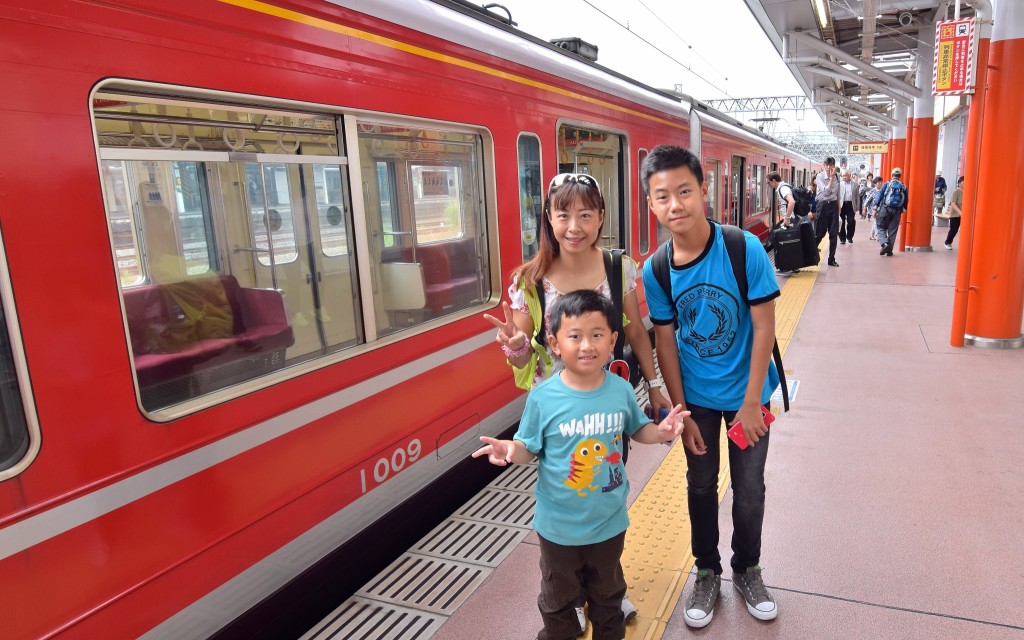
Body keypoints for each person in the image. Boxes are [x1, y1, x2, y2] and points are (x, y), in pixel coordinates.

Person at [483, 171, 672, 631]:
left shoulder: (617, 266)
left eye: (585, 214)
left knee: (605, 488)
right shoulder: (529, 278)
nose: (574, 226)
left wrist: (655, 383)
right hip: (554, 408)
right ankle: (566, 593)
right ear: (547, 218)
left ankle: (608, 587)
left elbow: (632, 329)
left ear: (600, 217)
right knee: (563, 492)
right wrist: (515, 345)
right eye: (563, 214)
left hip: (608, 402)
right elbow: (526, 343)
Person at [473, 290, 688, 640]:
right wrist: (511, 451)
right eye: (575, 336)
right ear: (555, 344)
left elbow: (638, 430)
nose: (587, 345)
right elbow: (530, 448)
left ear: (612, 340)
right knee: (558, 602)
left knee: (608, 599)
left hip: (609, 524)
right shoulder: (543, 397)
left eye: (597, 335)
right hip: (558, 530)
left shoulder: (619, 389)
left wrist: (661, 431)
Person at [639, 145, 782, 628]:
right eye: (663, 196)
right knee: (700, 486)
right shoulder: (656, 269)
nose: (675, 204)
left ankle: (747, 568)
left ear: (704, 191)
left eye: (684, 191)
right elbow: (665, 340)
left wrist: (750, 404)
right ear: (651, 204)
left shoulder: (743, 248)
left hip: (750, 395)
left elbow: (764, 327)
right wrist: (679, 411)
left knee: (749, 489)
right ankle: (706, 571)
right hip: (695, 398)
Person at [873, 167, 909, 257]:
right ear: (900, 176)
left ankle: (885, 244)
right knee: (893, 230)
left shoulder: (887, 184)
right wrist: (903, 209)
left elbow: (880, 196)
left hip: (885, 209)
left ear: (892, 175)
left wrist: (875, 208)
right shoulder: (903, 186)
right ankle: (889, 250)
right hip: (897, 211)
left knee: (880, 227)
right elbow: (906, 200)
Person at [812, 157, 840, 267]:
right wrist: (831, 179)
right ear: (824, 166)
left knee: (833, 234)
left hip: (833, 206)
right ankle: (811, 256)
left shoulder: (838, 176)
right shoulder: (819, 176)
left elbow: (837, 193)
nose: (829, 168)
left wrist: (839, 206)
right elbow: (826, 192)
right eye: (826, 165)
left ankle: (831, 259)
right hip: (822, 206)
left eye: (831, 165)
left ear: (834, 165)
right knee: (819, 233)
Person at [837, 169, 859, 245]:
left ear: (849, 176)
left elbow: (857, 196)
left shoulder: (855, 184)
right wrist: (837, 206)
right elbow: (837, 196)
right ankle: (842, 239)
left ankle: (849, 237)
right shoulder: (839, 184)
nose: (844, 177)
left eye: (845, 175)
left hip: (851, 205)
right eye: (843, 176)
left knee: (851, 221)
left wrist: (857, 207)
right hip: (842, 205)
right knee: (841, 222)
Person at [944, 176, 964, 250]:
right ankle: (947, 242)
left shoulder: (969, 192)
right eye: (963, 182)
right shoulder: (956, 192)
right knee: (954, 229)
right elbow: (953, 203)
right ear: (959, 183)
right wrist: (960, 212)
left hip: (965, 215)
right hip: (955, 215)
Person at [865, 176, 883, 240]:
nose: (880, 183)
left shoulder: (883, 191)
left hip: (881, 209)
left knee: (876, 221)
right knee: (876, 221)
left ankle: (872, 235)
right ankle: (878, 235)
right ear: (875, 183)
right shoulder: (872, 191)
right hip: (873, 209)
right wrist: (865, 208)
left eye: (881, 182)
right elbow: (867, 200)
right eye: (879, 182)